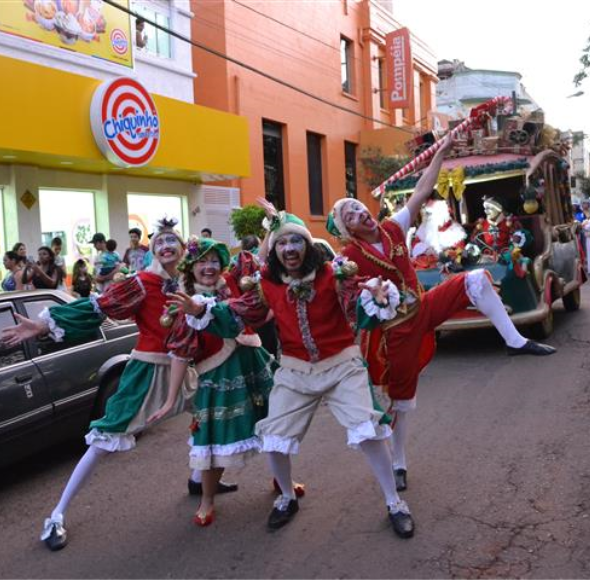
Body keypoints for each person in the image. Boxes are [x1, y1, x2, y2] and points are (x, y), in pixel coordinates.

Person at [327, 136, 555, 494]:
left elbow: (422, 189)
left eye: (358, 207)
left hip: (424, 306)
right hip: (395, 330)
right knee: (401, 400)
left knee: (477, 278)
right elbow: (345, 292)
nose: (360, 214)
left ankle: (515, 340)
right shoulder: (349, 258)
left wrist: (442, 154)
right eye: (351, 216)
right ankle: (399, 462)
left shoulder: (393, 227)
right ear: (348, 229)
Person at [174, 203, 416, 538]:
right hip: (295, 370)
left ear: (308, 245)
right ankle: (287, 497)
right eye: (282, 243)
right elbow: (239, 313)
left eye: (296, 241)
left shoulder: (334, 274)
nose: (289, 248)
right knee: (274, 436)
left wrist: (377, 297)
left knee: (369, 430)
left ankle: (394, 502)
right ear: (274, 249)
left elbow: (356, 308)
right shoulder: (266, 284)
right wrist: (201, 310)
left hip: (341, 364)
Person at [2, 218, 201, 552]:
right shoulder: (141, 283)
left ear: (183, 249)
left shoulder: (188, 283)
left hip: (184, 369)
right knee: (103, 440)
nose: (167, 246)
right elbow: (98, 306)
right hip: (147, 373)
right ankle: (57, 514)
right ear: (152, 250)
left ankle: (199, 477)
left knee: (211, 410)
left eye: (173, 241)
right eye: (161, 242)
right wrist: (44, 325)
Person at [152, 238, 275, 527]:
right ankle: (207, 500)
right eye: (202, 262)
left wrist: (272, 230)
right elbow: (180, 354)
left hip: (253, 364)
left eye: (214, 261)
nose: (209, 267)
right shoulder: (184, 301)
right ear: (191, 267)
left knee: (274, 427)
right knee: (214, 441)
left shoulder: (232, 284)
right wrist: (170, 400)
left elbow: (260, 262)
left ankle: (283, 480)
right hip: (218, 376)